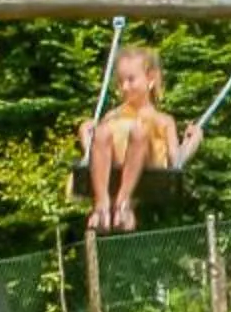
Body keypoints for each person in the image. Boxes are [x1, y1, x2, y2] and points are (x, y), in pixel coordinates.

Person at [78, 45, 203, 232]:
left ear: (150, 79)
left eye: (131, 80)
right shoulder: (113, 116)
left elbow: (176, 162)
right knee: (102, 131)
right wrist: (86, 136)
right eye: (120, 82)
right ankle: (102, 204)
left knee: (139, 131)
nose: (124, 87)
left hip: (151, 166)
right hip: (117, 164)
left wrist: (192, 141)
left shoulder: (163, 120)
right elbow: (96, 153)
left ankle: (124, 203)